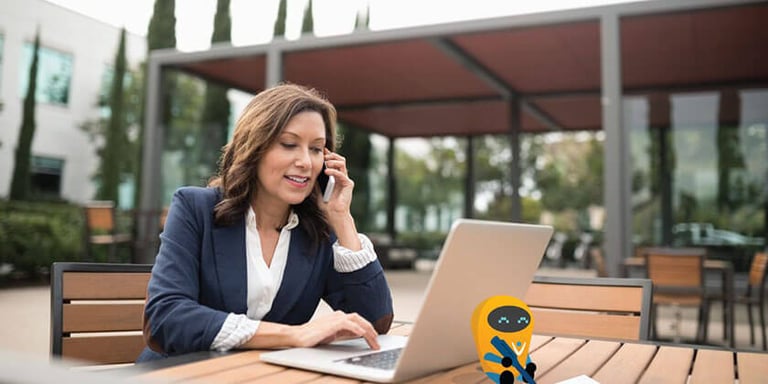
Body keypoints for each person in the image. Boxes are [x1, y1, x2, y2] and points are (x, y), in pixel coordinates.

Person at [137, 83, 394, 362]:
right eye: (289, 144)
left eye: (317, 149)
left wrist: (343, 220)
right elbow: (165, 319)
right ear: (255, 147)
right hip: (180, 375)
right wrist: (292, 335)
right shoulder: (194, 208)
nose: (306, 162)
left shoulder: (316, 232)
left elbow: (374, 321)